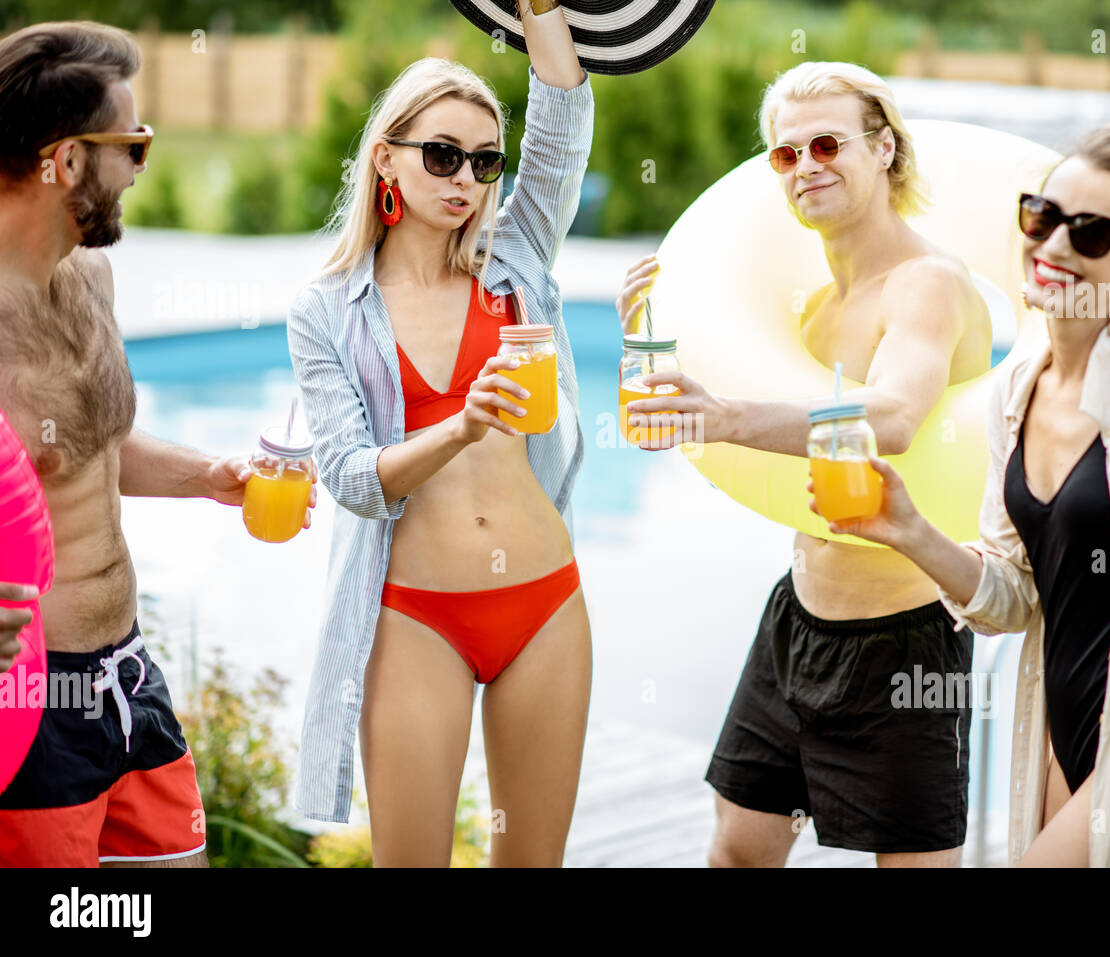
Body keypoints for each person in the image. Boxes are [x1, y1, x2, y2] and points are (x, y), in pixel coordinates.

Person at [820, 123, 1110, 866]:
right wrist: (909, 529)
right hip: (1050, 745)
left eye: (1094, 231)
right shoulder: (1017, 386)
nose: (1054, 246)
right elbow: (1011, 595)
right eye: (1042, 216)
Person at [615, 61, 991, 866]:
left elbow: (891, 418)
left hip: (905, 643)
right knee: (738, 851)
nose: (807, 166)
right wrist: (647, 336)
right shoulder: (815, 311)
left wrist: (726, 415)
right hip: (796, 618)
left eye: (828, 143)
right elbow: (717, 420)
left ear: (883, 147)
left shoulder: (927, 284)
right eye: (787, 155)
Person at [0, 21, 313, 867]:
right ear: (65, 161)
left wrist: (208, 475)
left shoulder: (90, 280)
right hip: (34, 706)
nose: (143, 167)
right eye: (132, 147)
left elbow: (99, 444)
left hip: (129, 675)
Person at [288, 1, 592, 866]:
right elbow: (350, 477)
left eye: (485, 160)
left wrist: (539, 9)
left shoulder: (517, 255)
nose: (466, 178)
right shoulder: (328, 310)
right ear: (386, 156)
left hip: (546, 603)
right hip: (416, 617)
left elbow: (565, 119)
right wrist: (462, 425)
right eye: (443, 154)